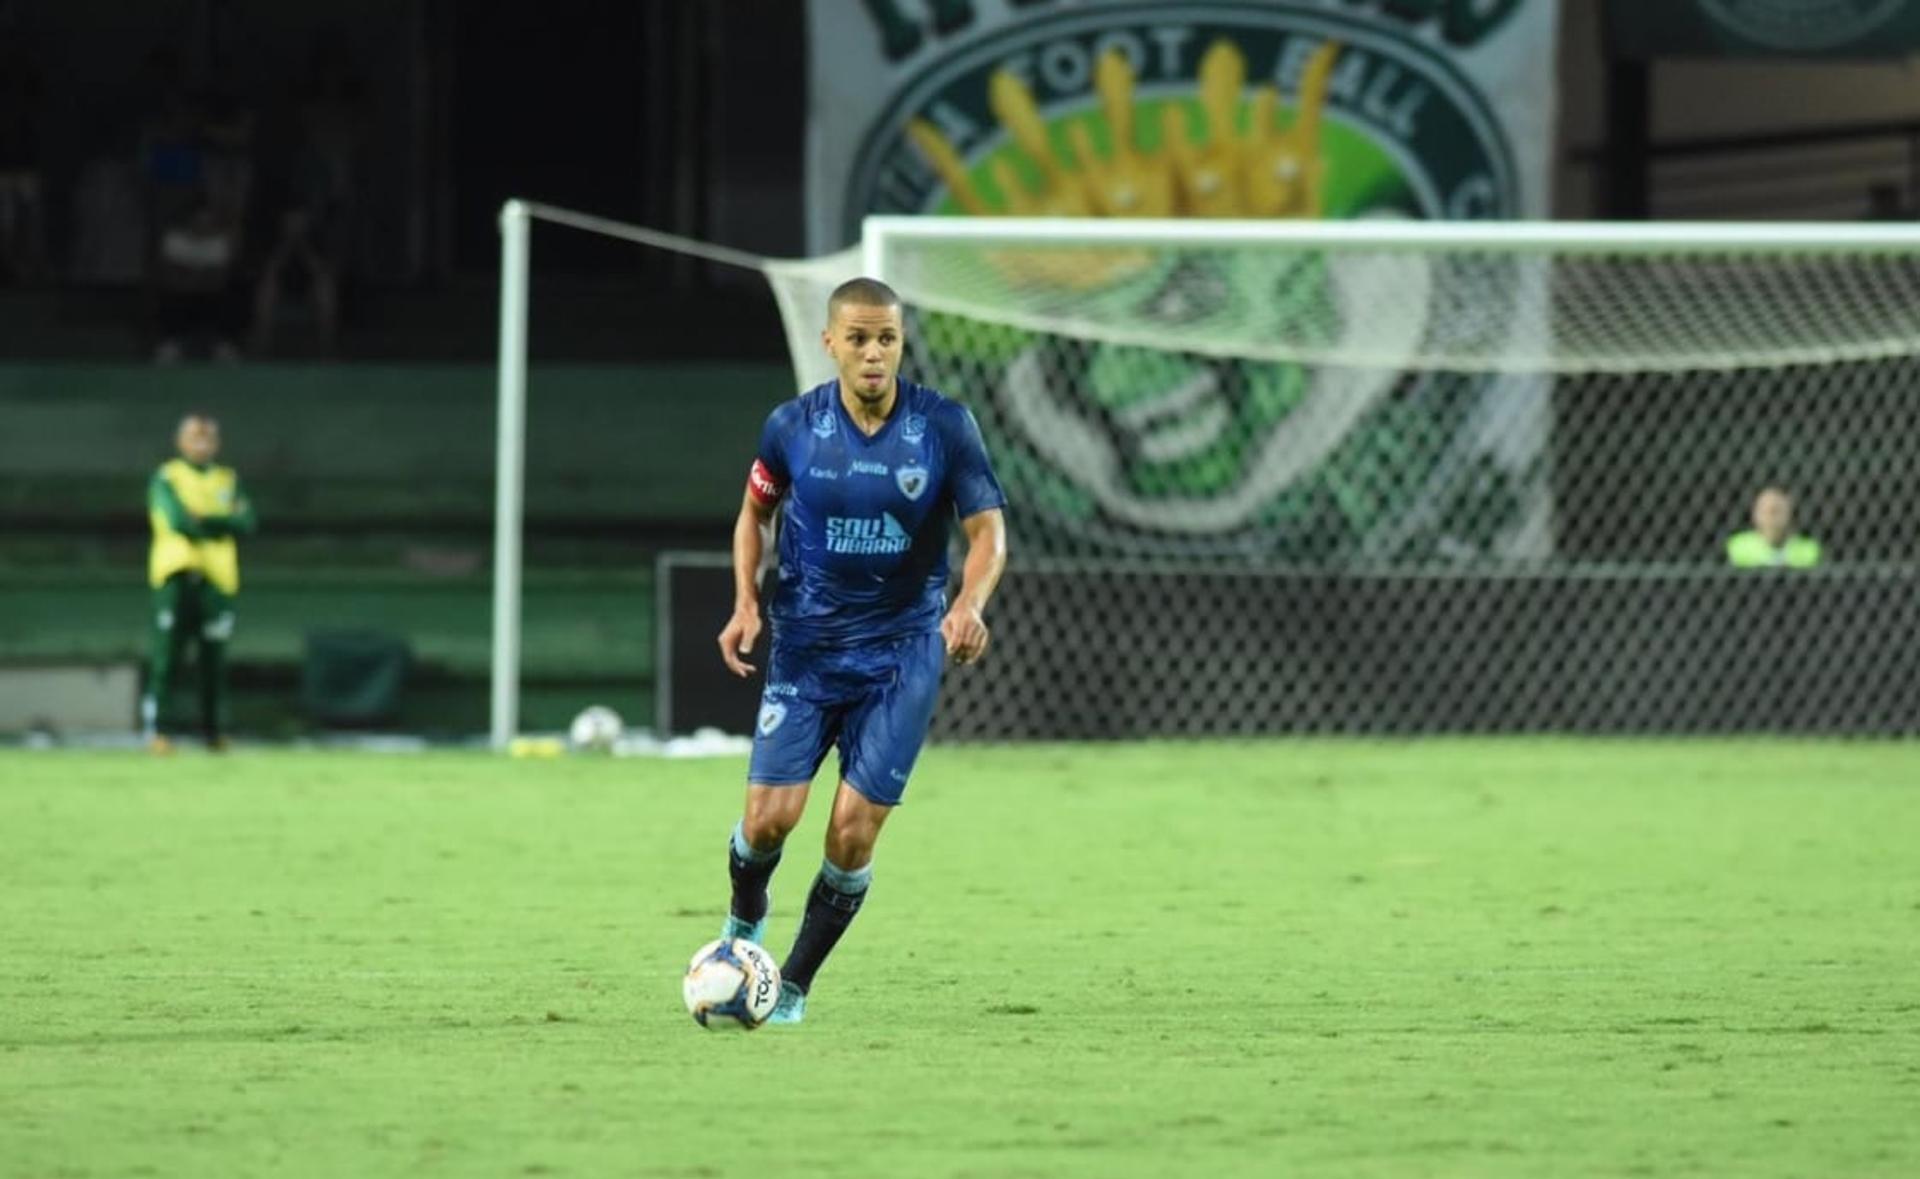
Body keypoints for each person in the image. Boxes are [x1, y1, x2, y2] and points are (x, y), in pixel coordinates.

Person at [714, 277, 1009, 1025]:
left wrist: (969, 603)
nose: (874, 353)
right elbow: (754, 513)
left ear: (900, 343)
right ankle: (745, 919)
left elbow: (988, 533)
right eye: (859, 339)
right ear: (831, 343)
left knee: (851, 829)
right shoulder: (791, 427)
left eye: (887, 339)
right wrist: (746, 601)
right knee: (768, 820)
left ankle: (792, 984)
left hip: (900, 654)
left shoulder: (944, 427)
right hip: (808, 650)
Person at [143, 413, 257, 752]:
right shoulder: (168, 478)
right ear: (181, 442)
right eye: (194, 438)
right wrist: (222, 523)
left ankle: (214, 732)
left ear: (216, 444)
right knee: (167, 659)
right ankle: (160, 731)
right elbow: (178, 522)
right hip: (175, 577)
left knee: (214, 661)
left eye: (207, 439)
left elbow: (247, 522)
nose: (201, 445)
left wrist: (206, 518)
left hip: (218, 580)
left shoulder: (227, 479)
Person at [1727, 486, 1821, 569]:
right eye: (1765, 511)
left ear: (1790, 514)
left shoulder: (1809, 549)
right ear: (1755, 515)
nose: (1770, 517)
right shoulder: (1739, 546)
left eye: (1776, 511)